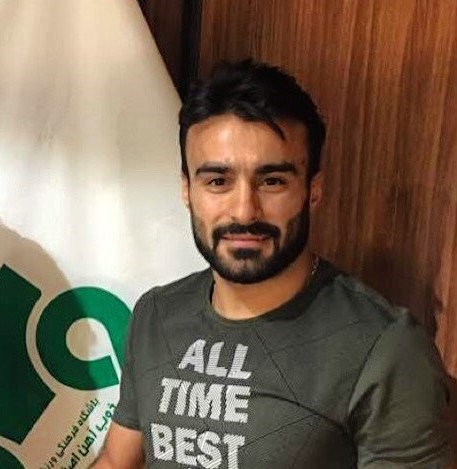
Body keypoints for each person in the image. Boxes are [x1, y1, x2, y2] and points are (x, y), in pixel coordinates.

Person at [93, 59, 452, 468]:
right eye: (217, 181)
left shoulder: (385, 346)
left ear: (312, 190)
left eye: (272, 181)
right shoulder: (155, 315)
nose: (245, 211)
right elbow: (115, 461)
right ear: (187, 190)